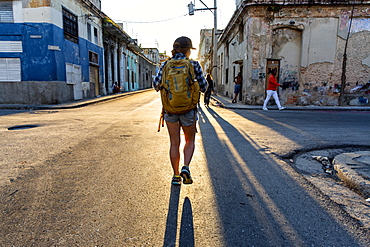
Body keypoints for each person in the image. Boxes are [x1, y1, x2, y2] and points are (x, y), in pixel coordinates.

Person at [153, 36, 207, 185]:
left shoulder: (165, 65)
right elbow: (204, 87)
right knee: (189, 140)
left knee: (174, 143)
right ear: (188, 50)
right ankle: (186, 167)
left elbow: (156, 85)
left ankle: (176, 176)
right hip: (189, 109)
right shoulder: (194, 64)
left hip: (170, 110)